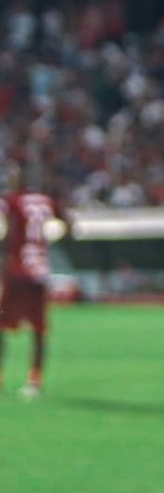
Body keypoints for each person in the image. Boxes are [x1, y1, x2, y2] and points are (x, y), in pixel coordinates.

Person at [0, 162, 71, 399]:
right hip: (40, 271)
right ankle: (35, 381)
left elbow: (6, 231)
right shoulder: (46, 201)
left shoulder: (11, 201)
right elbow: (69, 225)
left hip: (17, 269)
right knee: (39, 329)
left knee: (2, 324)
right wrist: (49, 241)